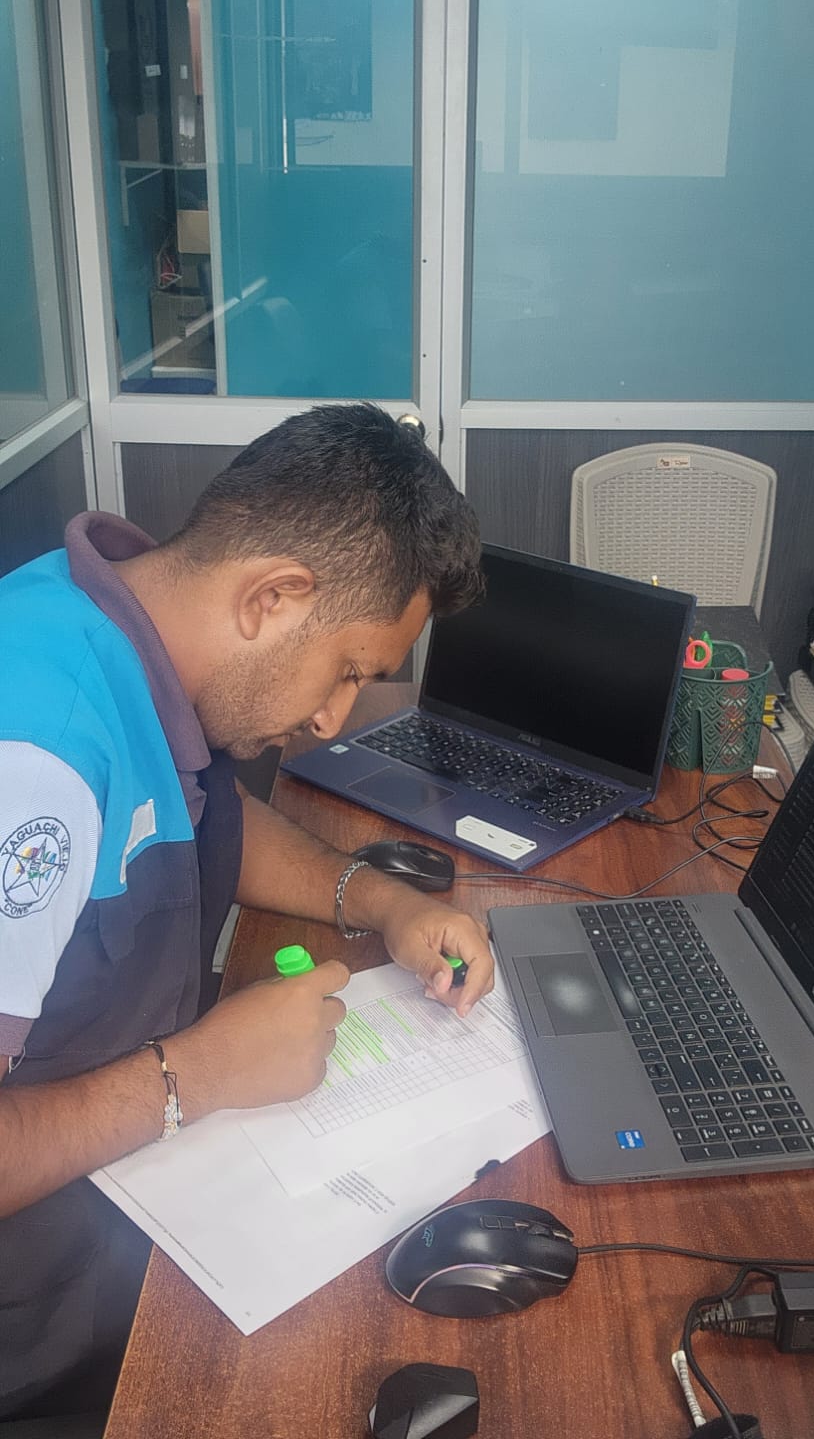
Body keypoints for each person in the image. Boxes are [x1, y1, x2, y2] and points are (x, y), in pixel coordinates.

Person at [0, 403, 493, 1421]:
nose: (331, 718)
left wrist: (382, 901)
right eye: (347, 670)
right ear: (271, 596)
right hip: (38, 1340)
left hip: (131, 1215)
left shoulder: (124, 634)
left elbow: (198, 819)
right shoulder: (35, 764)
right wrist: (198, 1073)